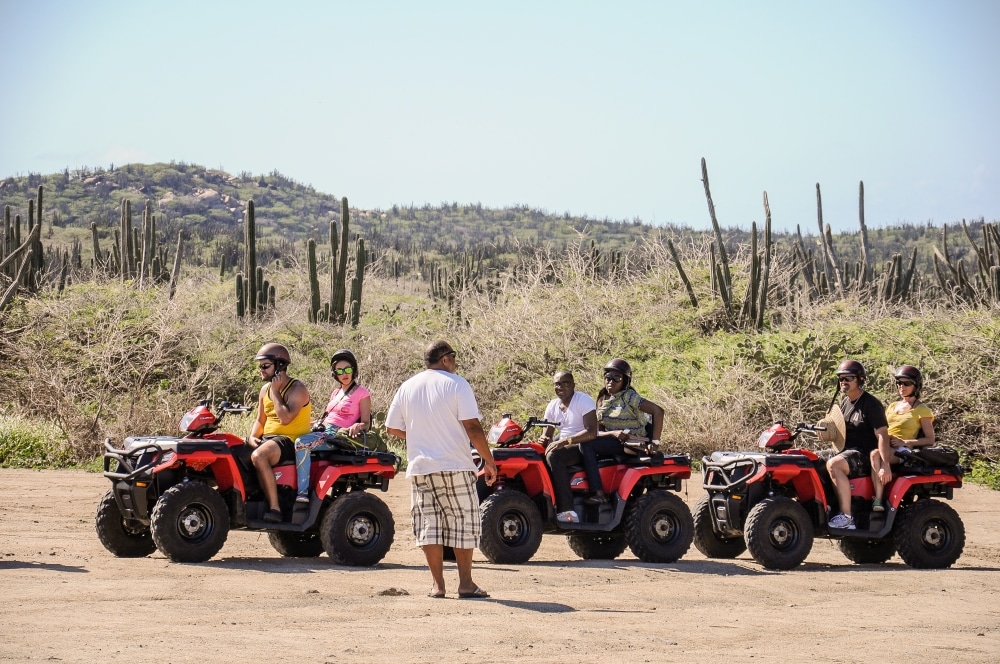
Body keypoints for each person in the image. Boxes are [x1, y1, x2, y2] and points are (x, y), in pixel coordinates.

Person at [385, 340, 498, 600]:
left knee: (429, 525)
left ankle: (438, 585)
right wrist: (489, 461)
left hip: (420, 467)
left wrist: (418, 437)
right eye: (454, 357)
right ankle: (466, 584)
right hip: (455, 463)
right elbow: (472, 426)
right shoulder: (457, 384)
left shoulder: (407, 386)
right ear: (445, 359)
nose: (455, 363)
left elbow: (391, 428)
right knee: (463, 523)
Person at [577, 358, 664, 506]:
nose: (611, 381)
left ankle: (598, 493)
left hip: (631, 442)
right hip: (613, 440)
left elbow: (658, 411)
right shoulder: (602, 399)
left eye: (617, 378)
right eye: (608, 377)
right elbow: (598, 430)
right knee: (581, 443)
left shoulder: (629, 397)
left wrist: (655, 442)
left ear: (625, 381)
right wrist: (612, 433)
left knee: (587, 446)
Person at [292, 349, 372, 504]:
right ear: (334, 374)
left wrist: (357, 426)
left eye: (348, 369)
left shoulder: (362, 392)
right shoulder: (336, 392)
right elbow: (328, 417)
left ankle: (302, 493)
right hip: (323, 430)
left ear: (354, 370)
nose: (344, 374)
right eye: (340, 371)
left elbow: (366, 423)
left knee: (301, 443)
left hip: (336, 436)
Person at [247, 343, 312, 523]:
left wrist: (275, 392)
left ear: (280, 366)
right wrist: (253, 436)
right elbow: (260, 420)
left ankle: (275, 509)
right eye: (260, 366)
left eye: (265, 366)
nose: (261, 370)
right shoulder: (264, 390)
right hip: (269, 439)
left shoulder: (297, 388)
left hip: (290, 441)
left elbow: (285, 419)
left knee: (259, 456)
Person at [825, 359, 889, 529]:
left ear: (860, 379)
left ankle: (847, 517)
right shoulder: (845, 403)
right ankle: (826, 505)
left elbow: (882, 435)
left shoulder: (871, 404)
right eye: (841, 378)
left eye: (849, 378)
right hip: (846, 450)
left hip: (864, 454)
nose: (844, 382)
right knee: (813, 459)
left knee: (834, 465)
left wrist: (886, 464)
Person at [870, 365, 935, 512]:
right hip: (885, 443)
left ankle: (878, 500)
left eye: (906, 383)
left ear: (916, 386)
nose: (902, 386)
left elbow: (930, 439)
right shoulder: (892, 406)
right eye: (899, 383)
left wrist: (904, 442)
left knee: (875, 454)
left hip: (902, 450)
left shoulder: (922, 410)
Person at [539, 371, 600, 523]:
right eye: (557, 384)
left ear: (573, 385)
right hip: (564, 443)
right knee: (536, 455)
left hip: (582, 445)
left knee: (555, 456)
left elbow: (592, 432)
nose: (560, 387)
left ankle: (567, 510)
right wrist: (543, 440)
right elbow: (548, 433)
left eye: (565, 383)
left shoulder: (583, 400)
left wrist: (566, 441)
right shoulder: (553, 405)